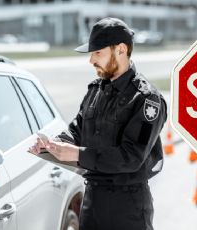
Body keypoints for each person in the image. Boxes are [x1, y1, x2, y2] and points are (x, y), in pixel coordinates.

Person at [33, 17, 167, 230]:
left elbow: (131, 157)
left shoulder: (146, 99)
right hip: (93, 201)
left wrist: (77, 154)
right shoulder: (96, 90)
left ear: (121, 50)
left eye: (98, 53)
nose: (91, 60)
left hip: (127, 208)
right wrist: (54, 145)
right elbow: (77, 129)